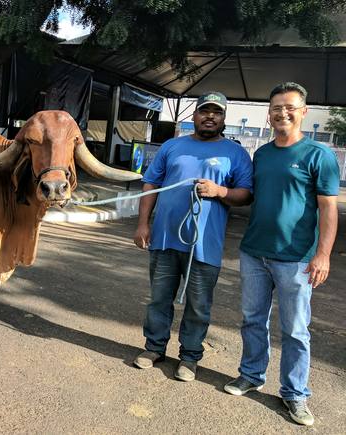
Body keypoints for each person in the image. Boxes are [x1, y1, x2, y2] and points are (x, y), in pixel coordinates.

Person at [223, 82, 340, 426]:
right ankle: (251, 374)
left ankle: (295, 394)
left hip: (297, 258)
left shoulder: (319, 155)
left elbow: (328, 211)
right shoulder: (262, 154)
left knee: (295, 329)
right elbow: (250, 196)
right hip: (254, 253)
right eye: (275, 108)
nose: (281, 113)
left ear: (303, 112)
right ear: (269, 113)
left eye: (289, 107)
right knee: (252, 320)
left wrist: (323, 255)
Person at [132, 91, 253, 382]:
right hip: (163, 239)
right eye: (204, 111)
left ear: (224, 119)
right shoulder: (172, 146)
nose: (210, 116)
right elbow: (150, 183)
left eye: (217, 112)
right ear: (195, 115)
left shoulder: (235, 154)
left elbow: (246, 194)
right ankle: (154, 348)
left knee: (199, 305)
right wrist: (142, 224)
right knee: (159, 299)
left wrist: (220, 191)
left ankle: (189, 357)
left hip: (205, 245)